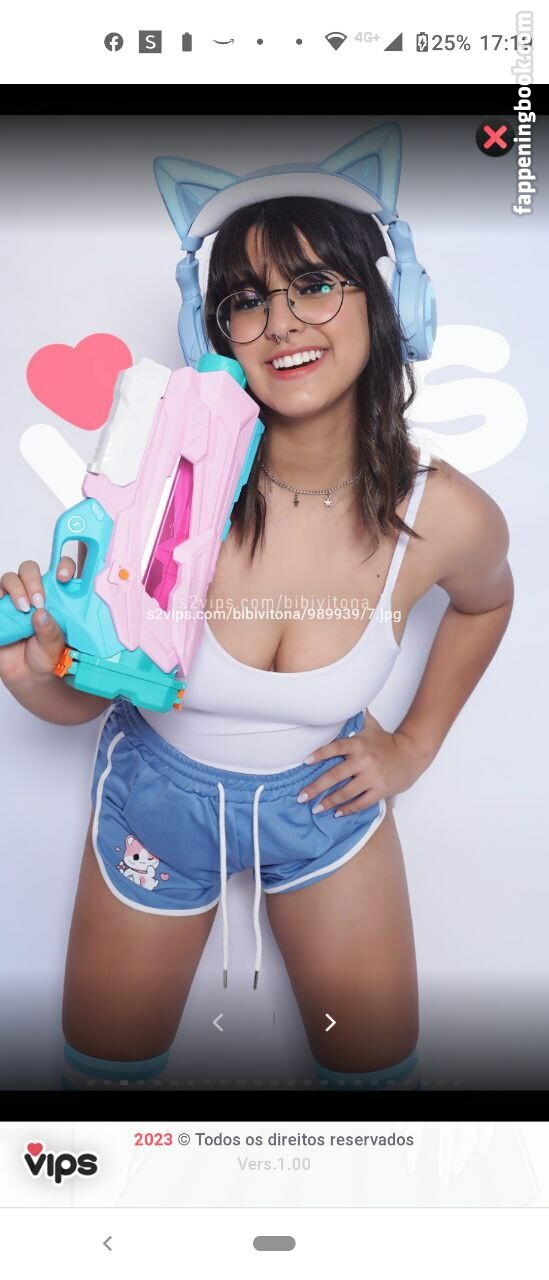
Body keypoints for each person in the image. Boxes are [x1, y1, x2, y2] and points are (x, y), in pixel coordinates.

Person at [0, 196, 514, 1091]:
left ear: (391, 305)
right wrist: (33, 673)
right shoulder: (161, 491)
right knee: (102, 1084)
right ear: (215, 334)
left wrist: (413, 745)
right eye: (246, 300)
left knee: (378, 1085)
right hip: (156, 804)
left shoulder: (446, 515)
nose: (280, 324)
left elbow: (486, 605)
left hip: (323, 809)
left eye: (313, 285)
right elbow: (82, 694)